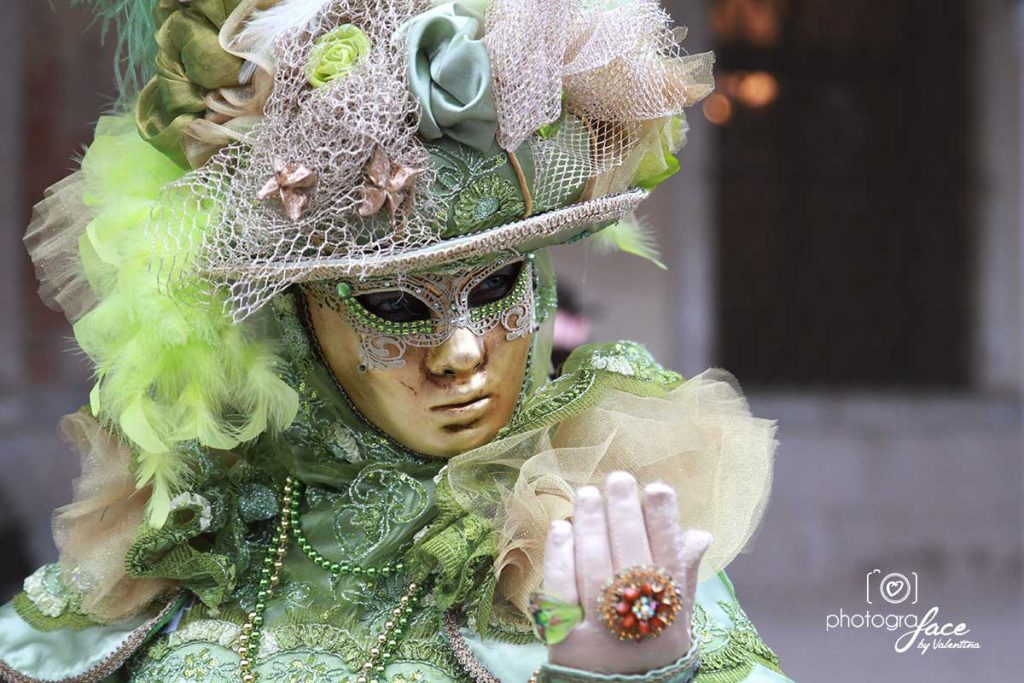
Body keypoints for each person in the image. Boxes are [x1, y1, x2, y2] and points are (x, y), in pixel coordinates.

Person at [1, 1, 791, 681]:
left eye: (494, 287)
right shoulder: (194, 537)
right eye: (393, 303)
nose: (460, 352)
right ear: (298, 316)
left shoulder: (590, 536)